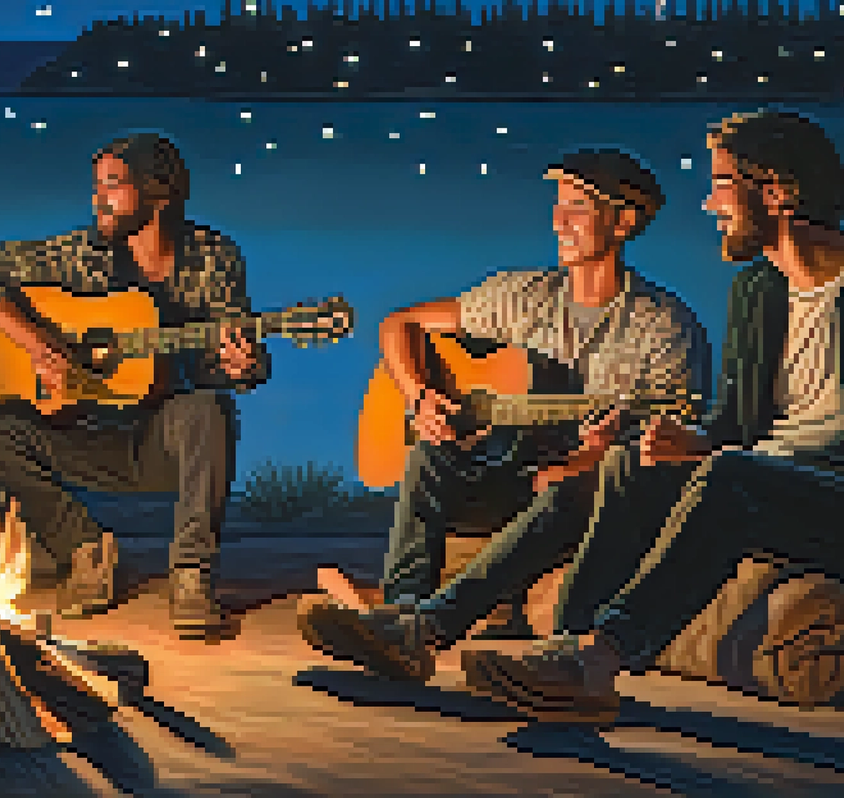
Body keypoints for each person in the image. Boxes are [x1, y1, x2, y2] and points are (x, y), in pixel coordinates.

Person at [459, 108, 844, 723]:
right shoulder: (757, 292)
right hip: (766, 478)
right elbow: (734, 426)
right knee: (628, 467)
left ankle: (601, 660)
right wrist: (692, 441)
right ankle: (562, 647)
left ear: (780, 191)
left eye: (722, 184)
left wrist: (733, 458)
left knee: (730, 476)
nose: (710, 204)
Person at [300, 149, 711, 680]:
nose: (559, 221)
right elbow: (400, 324)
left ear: (625, 222)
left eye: (579, 208)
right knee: (431, 455)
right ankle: (399, 615)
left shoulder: (664, 326)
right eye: (558, 206)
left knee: (566, 490)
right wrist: (419, 395)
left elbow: (676, 442)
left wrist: (593, 458)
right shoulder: (522, 296)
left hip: (587, 497)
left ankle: (422, 628)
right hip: (512, 481)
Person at [0, 133, 268, 638]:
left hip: (158, 440)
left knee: (210, 408)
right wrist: (37, 344)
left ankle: (189, 574)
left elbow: (235, 364)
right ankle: (85, 549)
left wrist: (242, 366)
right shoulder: (82, 254)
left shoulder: (213, 258)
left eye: (114, 184)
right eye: (97, 185)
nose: (98, 197)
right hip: (81, 432)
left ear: (159, 190)